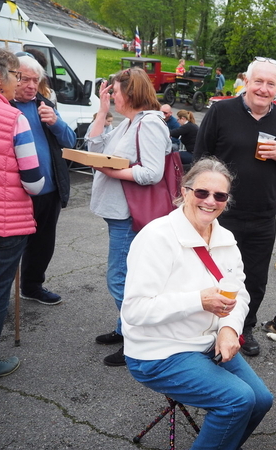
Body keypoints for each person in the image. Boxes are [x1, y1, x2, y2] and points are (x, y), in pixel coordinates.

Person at [122, 158, 273, 449]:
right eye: (202, 192)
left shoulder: (226, 239)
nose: (210, 201)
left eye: (220, 196)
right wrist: (197, 301)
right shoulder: (157, 237)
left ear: (227, 201)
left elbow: (238, 294)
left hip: (206, 342)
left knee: (261, 400)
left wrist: (229, 328)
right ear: (185, 190)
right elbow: (134, 310)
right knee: (237, 400)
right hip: (159, 350)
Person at [194, 56, 276, 357]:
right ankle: (209, 328)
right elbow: (200, 157)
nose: (264, 89)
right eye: (259, 81)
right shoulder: (221, 111)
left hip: (263, 215)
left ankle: (244, 328)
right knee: (213, 274)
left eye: (271, 84)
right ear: (247, 81)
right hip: (220, 214)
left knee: (254, 278)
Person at [88, 67, 171, 367]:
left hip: (129, 214)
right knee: (125, 277)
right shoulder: (129, 123)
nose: (112, 95)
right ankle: (126, 330)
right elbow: (94, 146)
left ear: (131, 93)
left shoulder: (148, 124)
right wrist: (102, 110)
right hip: (118, 212)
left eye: (115, 91)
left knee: (120, 279)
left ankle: (137, 341)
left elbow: (152, 172)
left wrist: (111, 171)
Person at [0, 47, 45, 382]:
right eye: (16, 75)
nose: (18, 83)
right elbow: (35, 182)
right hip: (4, 225)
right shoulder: (14, 118)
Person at [13, 54, 76, 306]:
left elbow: (70, 142)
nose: (30, 85)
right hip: (17, 193)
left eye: (34, 80)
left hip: (50, 191)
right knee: (7, 249)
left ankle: (31, 286)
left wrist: (56, 122)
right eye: (23, 79)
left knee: (42, 245)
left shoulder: (44, 105)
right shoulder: (3, 107)